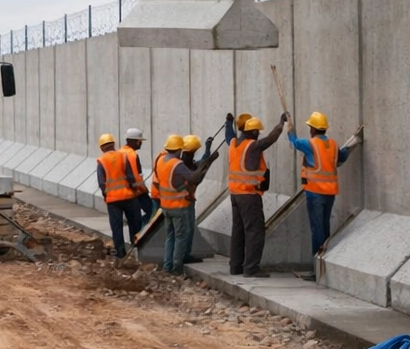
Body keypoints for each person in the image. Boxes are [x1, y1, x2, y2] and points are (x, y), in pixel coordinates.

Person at [288, 111, 362, 261]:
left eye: (310, 127)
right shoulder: (333, 144)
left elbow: (294, 142)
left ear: (313, 129)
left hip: (315, 193)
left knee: (317, 228)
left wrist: (289, 129)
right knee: (324, 225)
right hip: (330, 193)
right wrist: (354, 141)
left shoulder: (309, 144)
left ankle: (317, 263)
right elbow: (342, 156)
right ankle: (324, 259)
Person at [223, 112, 287, 277]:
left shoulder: (233, 144)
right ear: (252, 132)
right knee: (254, 231)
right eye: (257, 131)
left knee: (238, 231)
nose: (259, 134)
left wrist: (228, 122)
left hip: (235, 195)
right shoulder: (252, 146)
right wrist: (281, 124)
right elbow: (270, 139)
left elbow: (229, 134)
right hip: (249, 195)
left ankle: (235, 267)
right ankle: (251, 268)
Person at [158, 134, 219, 275]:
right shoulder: (177, 165)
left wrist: (207, 156)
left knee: (170, 237)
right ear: (179, 149)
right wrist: (207, 163)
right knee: (181, 237)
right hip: (179, 206)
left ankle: (168, 267)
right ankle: (177, 268)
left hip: (166, 206)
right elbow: (194, 178)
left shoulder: (162, 161)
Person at [96, 133, 146, 259]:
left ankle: (121, 253)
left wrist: (106, 195)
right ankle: (136, 252)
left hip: (113, 200)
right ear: (113, 144)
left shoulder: (101, 161)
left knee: (116, 227)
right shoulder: (123, 156)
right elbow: (130, 177)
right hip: (129, 196)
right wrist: (136, 190)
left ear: (101, 148)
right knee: (135, 224)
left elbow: (102, 183)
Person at [122, 127, 155, 218]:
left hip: (124, 191)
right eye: (140, 141)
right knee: (151, 212)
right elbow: (137, 176)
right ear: (135, 141)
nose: (141, 143)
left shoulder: (120, 152)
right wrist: (144, 189)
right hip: (136, 191)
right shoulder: (133, 155)